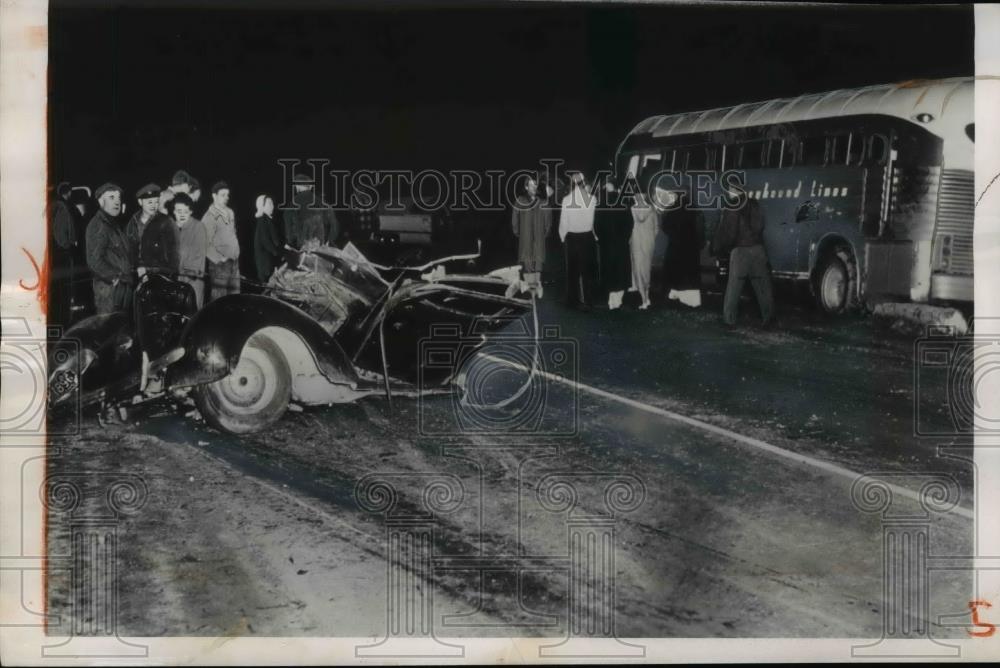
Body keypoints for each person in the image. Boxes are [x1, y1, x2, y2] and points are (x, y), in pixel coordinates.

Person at [713, 185, 774, 326]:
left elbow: (729, 232)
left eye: (729, 191)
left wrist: (721, 247)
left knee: (733, 288)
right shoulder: (755, 204)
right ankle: (769, 318)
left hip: (740, 251)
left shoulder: (732, 206)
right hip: (758, 249)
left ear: (734, 192)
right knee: (762, 286)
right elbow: (761, 225)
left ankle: (729, 320)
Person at [85, 182, 133, 314]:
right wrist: (115, 278)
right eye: (111, 198)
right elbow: (94, 261)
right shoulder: (98, 225)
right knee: (108, 329)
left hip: (121, 289)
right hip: (108, 291)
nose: (117, 202)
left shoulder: (113, 225)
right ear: (101, 202)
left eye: (118, 198)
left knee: (118, 329)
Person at [559, 170, 596, 310]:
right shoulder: (592, 199)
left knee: (572, 271)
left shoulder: (567, 200)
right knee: (586, 270)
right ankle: (588, 300)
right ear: (583, 182)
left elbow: (564, 221)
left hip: (572, 237)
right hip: (587, 236)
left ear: (572, 184)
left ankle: (572, 300)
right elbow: (592, 221)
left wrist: (562, 236)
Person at [593, 176, 632, 310]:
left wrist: (602, 239)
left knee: (609, 272)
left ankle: (612, 300)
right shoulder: (624, 203)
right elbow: (629, 224)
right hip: (621, 244)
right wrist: (625, 238)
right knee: (620, 272)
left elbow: (597, 225)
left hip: (607, 245)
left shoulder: (601, 204)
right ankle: (618, 299)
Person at [661, 190, 703, 308]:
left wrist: (674, 236)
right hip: (691, 249)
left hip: (675, 248)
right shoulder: (695, 210)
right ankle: (691, 302)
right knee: (690, 277)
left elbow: (664, 227)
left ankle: (671, 299)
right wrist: (700, 243)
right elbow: (699, 229)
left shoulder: (671, 209)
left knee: (673, 275)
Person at [126, 183, 179, 277]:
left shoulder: (166, 222)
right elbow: (128, 249)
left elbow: (173, 257)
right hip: (135, 275)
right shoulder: (132, 221)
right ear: (140, 202)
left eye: (156, 202)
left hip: (159, 276)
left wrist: (151, 270)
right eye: (150, 202)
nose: (154, 205)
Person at [511, 174, 551, 297]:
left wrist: (545, 232)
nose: (534, 187)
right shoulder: (520, 201)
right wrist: (518, 232)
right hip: (526, 237)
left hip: (538, 237)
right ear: (526, 187)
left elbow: (548, 221)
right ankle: (530, 287)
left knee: (538, 261)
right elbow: (515, 219)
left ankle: (537, 286)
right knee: (527, 262)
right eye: (531, 185)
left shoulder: (543, 202)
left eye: (535, 185)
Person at [202, 180, 241, 301]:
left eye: (227, 195)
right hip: (219, 266)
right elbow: (204, 244)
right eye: (222, 195)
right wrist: (219, 259)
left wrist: (235, 251)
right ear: (214, 196)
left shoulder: (230, 212)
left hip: (234, 262)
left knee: (235, 297)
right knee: (219, 299)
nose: (226, 198)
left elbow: (232, 233)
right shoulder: (209, 217)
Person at [50, 182, 79, 326]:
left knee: (58, 288)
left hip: (55, 254)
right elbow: (60, 232)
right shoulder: (61, 206)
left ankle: (59, 319)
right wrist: (68, 245)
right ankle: (65, 321)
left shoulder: (52, 205)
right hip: (62, 253)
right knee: (66, 288)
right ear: (67, 192)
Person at [283, 172, 339, 248]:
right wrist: (330, 241)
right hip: (321, 246)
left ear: (297, 187)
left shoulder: (292, 204)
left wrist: (291, 243)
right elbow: (334, 224)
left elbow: (289, 229)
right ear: (310, 187)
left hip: (303, 247)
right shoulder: (322, 203)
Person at [171, 193, 208, 308]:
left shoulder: (198, 227)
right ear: (173, 211)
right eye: (178, 211)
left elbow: (199, 258)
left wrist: (186, 274)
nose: (182, 215)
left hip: (193, 282)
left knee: (192, 314)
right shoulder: (170, 228)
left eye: (185, 212)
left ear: (191, 211)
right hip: (174, 281)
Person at [629, 185, 658, 310]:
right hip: (649, 243)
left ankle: (644, 300)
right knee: (646, 270)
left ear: (635, 196)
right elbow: (656, 228)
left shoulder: (631, 210)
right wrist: (651, 239)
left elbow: (629, 227)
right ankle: (647, 295)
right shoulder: (652, 209)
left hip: (636, 242)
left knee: (638, 270)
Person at [254, 194, 283, 284]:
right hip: (265, 258)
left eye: (272, 204)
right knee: (266, 280)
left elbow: (275, 238)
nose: (272, 206)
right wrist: (276, 252)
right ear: (262, 206)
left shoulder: (268, 220)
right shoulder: (263, 220)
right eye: (269, 204)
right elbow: (265, 240)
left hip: (269, 257)